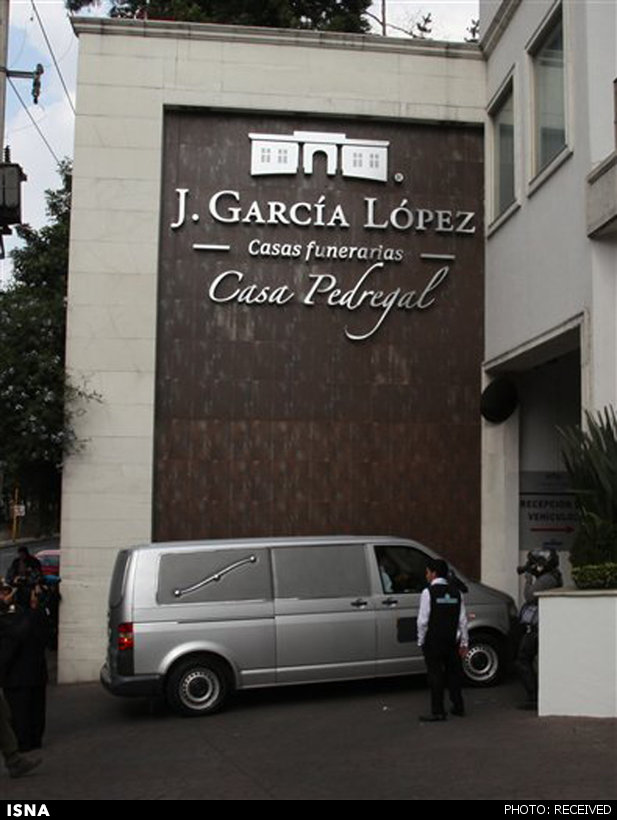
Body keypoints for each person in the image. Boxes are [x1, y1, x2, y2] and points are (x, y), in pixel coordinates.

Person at [417, 557, 468, 722]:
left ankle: (438, 711)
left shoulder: (428, 592)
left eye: (427, 572)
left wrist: (421, 640)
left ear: (434, 573)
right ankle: (458, 706)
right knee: (454, 674)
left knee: (435, 675)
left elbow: (423, 621)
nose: (426, 575)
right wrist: (464, 642)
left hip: (434, 641)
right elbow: (462, 620)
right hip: (452, 640)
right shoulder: (457, 593)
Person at [0, 581, 49, 752]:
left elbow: (7, 651)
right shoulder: (38, 616)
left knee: (18, 712)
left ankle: (22, 743)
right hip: (37, 672)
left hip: (15, 676)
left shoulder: (9, 620)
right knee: (36, 709)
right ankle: (35, 740)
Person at [515, 549, 562, 709]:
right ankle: (535, 695)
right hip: (538, 626)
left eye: (534, 563)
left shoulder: (548, 579)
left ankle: (533, 697)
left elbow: (529, 596)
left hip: (536, 628)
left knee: (523, 659)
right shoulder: (551, 576)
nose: (532, 566)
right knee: (529, 660)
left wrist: (528, 579)